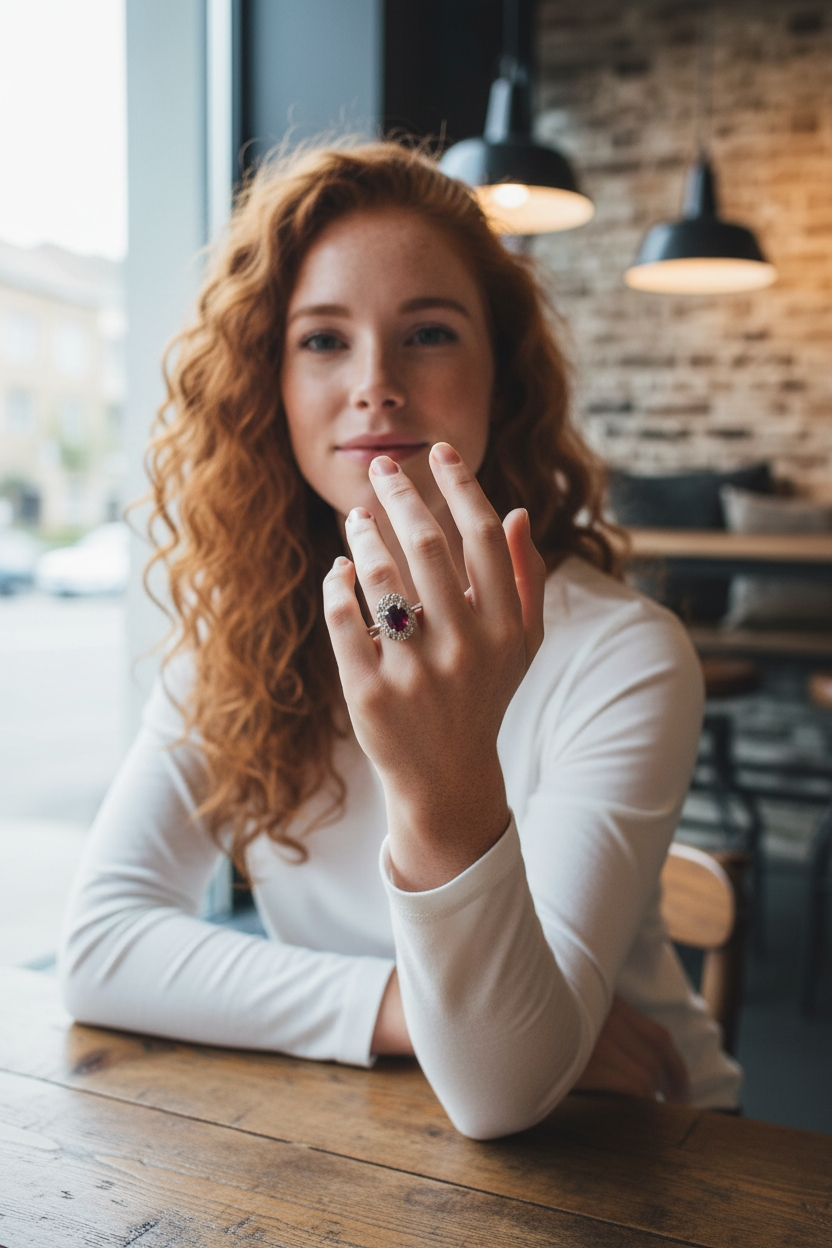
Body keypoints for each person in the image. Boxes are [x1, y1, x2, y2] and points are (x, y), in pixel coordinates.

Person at [59, 141, 742, 1139]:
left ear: (500, 380)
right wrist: (399, 1008)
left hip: (657, 1155)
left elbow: (503, 1088)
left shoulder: (621, 654)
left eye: (427, 333)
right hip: (356, 1133)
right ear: (269, 385)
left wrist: (443, 774)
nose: (375, 383)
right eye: (323, 340)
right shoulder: (241, 636)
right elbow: (102, 947)